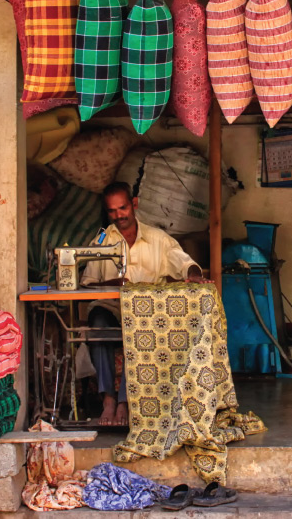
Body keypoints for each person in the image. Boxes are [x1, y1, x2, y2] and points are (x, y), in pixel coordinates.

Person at [80, 182, 208, 426]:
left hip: (144, 313)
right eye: (112, 211)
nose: (119, 215)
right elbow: (86, 284)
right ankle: (107, 398)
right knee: (97, 323)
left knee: (140, 329)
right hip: (111, 308)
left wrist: (194, 274)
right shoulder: (103, 240)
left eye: (123, 208)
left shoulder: (157, 239)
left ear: (134, 204)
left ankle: (124, 402)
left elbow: (185, 263)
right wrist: (112, 283)